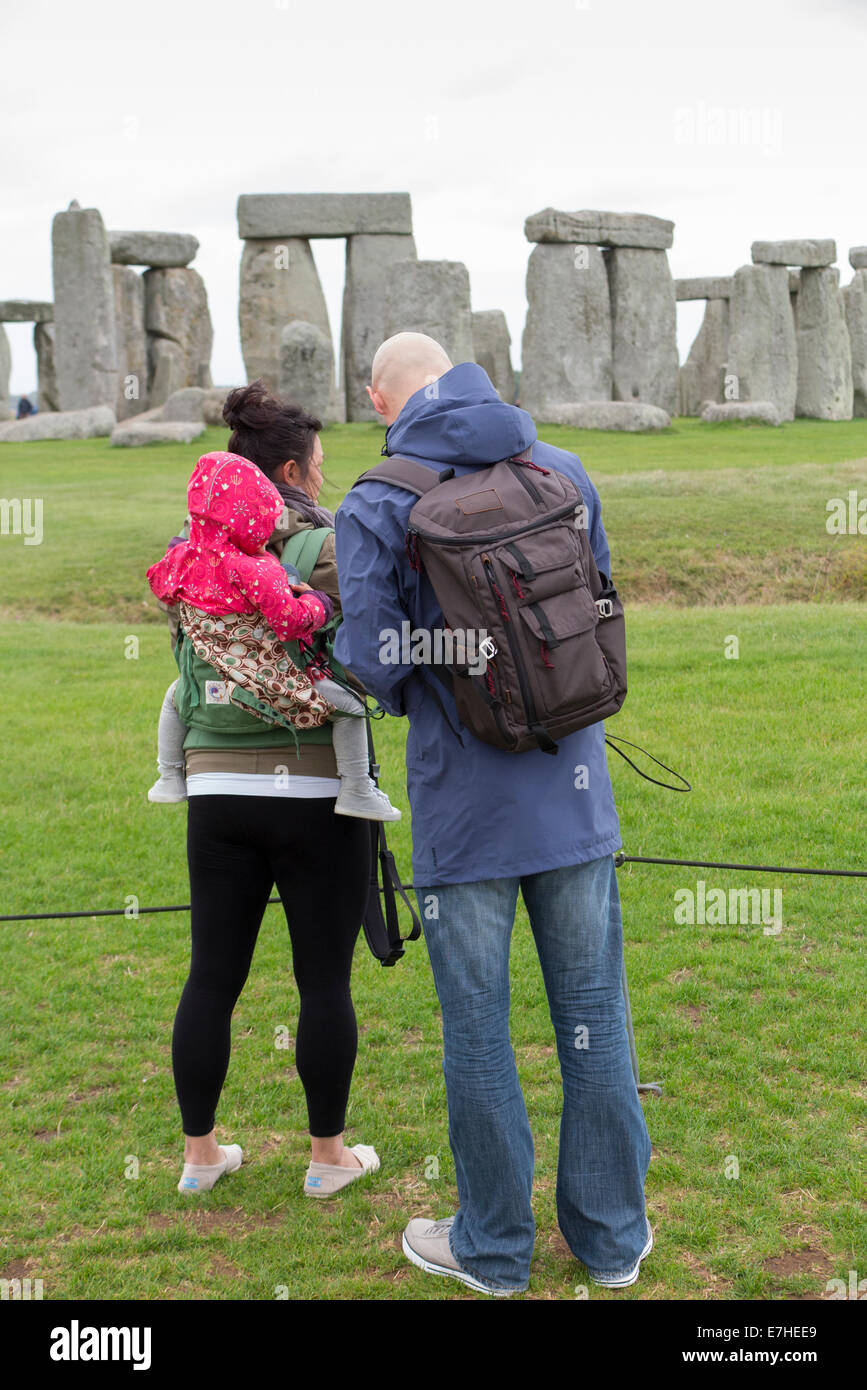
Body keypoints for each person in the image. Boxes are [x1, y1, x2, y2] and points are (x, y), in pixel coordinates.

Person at [333, 333, 652, 1294]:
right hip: (573, 787)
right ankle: (609, 1240)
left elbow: (374, 659)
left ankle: (494, 1247)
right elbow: (594, 607)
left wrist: (445, 660)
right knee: (593, 1013)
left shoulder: (377, 499)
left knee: (477, 1028)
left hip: (462, 804)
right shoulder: (561, 467)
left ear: (387, 400)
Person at [155, 384, 381, 1197]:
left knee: (211, 974)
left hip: (213, 781)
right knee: (322, 979)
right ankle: (327, 1159)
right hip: (317, 782)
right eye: (319, 465)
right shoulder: (322, 547)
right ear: (290, 468)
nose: (325, 477)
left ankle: (199, 1155)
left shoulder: (186, 550)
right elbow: (364, 633)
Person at [146, 451, 400, 821]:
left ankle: (169, 775)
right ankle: (357, 787)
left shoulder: (183, 560)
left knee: (174, 698)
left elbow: (159, 583)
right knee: (350, 707)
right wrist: (317, 602)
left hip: (213, 675)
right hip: (272, 673)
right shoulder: (254, 570)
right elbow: (290, 623)